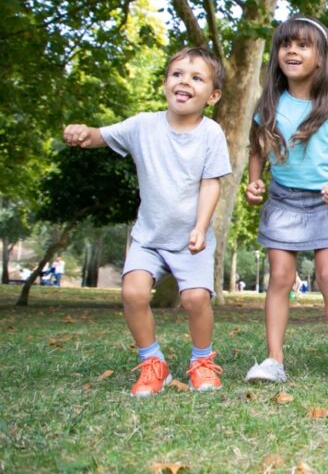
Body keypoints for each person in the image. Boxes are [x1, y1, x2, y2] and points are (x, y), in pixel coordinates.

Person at [63, 47, 231, 396]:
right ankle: (153, 363)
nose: (185, 81)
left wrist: (201, 227)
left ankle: (202, 361)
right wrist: (83, 133)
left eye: (197, 78)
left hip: (191, 238)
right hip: (149, 238)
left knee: (196, 299)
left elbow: (210, 182)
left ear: (213, 96)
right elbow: (101, 136)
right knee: (133, 292)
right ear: (165, 84)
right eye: (177, 74)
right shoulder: (142, 126)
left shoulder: (211, 133)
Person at [244, 15, 328, 385]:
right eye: (285, 44)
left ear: (321, 58)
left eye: (303, 45)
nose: (291, 50)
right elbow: (257, 150)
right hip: (283, 203)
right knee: (280, 277)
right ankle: (274, 360)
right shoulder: (270, 105)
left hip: (325, 205)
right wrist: (254, 182)